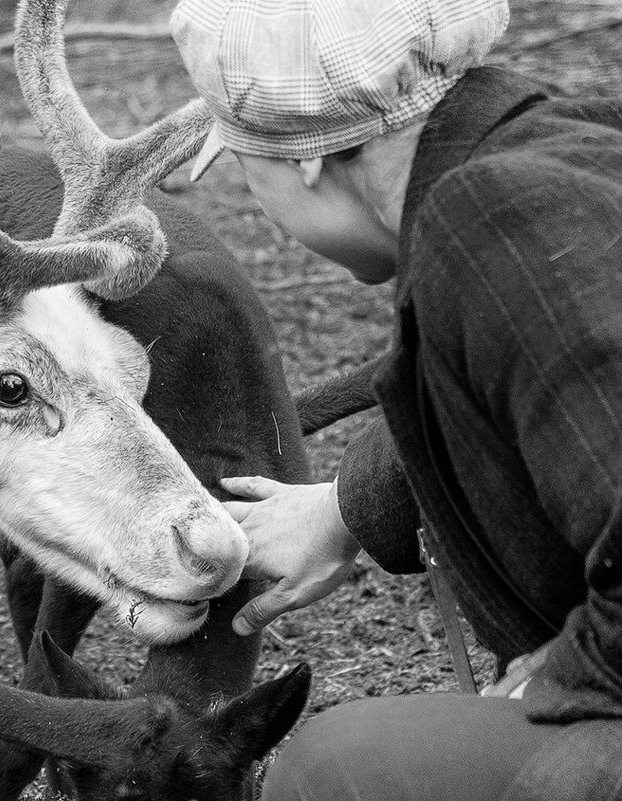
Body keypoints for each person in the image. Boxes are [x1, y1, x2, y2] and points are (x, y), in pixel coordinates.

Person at [170, 0, 622, 798]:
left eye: (243, 165)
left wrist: (572, 669)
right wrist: (347, 506)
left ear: (308, 158)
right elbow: (529, 375)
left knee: (338, 770)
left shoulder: (490, 217)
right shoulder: (560, 145)